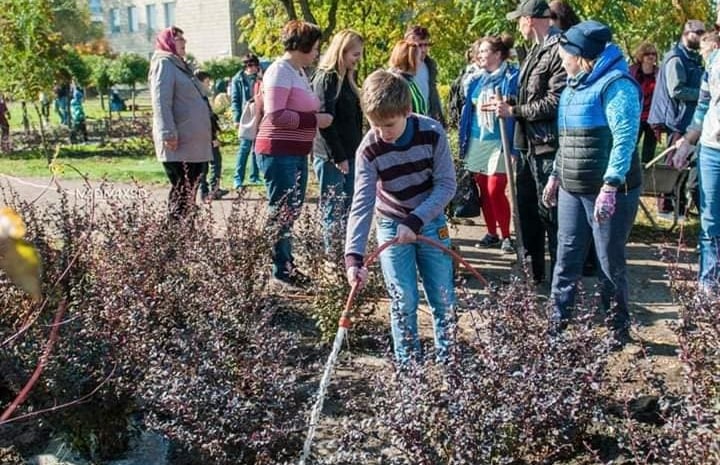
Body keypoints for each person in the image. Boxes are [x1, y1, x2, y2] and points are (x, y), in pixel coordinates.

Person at [345, 69, 457, 364]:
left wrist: (417, 220)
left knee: (443, 298)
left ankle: (449, 362)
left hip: (430, 221)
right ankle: (409, 368)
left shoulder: (431, 133)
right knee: (403, 298)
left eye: (389, 124)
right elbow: (362, 203)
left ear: (407, 110)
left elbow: (446, 185)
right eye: (374, 124)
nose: (383, 132)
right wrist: (353, 257)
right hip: (391, 224)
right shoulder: (369, 148)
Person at [541, 20, 641, 348]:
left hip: (608, 191)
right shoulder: (573, 86)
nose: (561, 57)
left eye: (565, 52)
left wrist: (611, 184)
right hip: (572, 184)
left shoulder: (616, 85)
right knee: (566, 255)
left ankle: (617, 329)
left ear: (582, 54)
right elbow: (566, 139)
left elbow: (624, 138)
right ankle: (557, 322)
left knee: (608, 261)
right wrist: (556, 175)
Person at [491, 0, 566, 284]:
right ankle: (532, 274)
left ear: (530, 20)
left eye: (519, 20)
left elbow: (556, 102)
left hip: (548, 147)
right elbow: (531, 97)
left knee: (552, 216)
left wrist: (515, 111)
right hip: (526, 145)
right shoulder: (534, 50)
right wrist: (510, 102)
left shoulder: (559, 50)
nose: (517, 25)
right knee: (526, 213)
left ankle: (561, 281)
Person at [254, 20, 332, 290]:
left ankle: (285, 265)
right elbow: (275, 116)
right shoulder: (279, 71)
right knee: (282, 212)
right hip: (278, 151)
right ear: (303, 45)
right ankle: (279, 271)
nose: (317, 53)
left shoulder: (297, 72)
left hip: (295, 151)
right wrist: (314, 121)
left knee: (290, 211)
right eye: (315, 48)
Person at [459, 34, 519, 254]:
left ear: (498, 54)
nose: (480, 55)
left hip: (500, 139)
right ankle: (491, 233)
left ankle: (506, 236)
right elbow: (465, 106)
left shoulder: (512, 76)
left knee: (495, 189)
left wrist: (505, 104)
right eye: (479, 51)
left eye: (485, 51)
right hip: (477, 139)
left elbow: (517, 104)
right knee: (484, 189)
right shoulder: (474, 78)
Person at [672, 30, 720, 293]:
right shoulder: (713, 64)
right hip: (712, 150)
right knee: (710, 219)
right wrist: (688, 141)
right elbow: (702, 107)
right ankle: (708, 288)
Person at [149, 26, 213, 220]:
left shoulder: (179, 65)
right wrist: (168, 132)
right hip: (179, 143)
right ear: (168, 42)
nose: (184, 43)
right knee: (182, 191)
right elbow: (161, 100)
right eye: (179, 39)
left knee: (188, 192)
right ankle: (176, 238)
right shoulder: (164, 64)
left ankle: (185, 235)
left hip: (193, 144)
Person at [311, 30, 364, 256]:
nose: (358, 59)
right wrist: (338, 156)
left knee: (349, 208)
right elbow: (325, 122)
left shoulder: (349, 79)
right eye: (355, 54)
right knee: (334, 208)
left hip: (351, 152)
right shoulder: (327, 78)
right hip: (332, 155)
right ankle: (332, 257)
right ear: (341, 51)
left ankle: (346, 254)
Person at [648, 20, 705, 216]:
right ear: (686, 33)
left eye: (703, 32)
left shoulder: (692, 58)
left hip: (688, 120)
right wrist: (704, 93)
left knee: (683, 167)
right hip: (677, 120)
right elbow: (676, 90)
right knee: (673, 164)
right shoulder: (676, 58)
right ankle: (666, 208)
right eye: (698, 32)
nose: (701, 35)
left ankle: (679, 207)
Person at [231, 53, 263, 189]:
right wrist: (236, 119)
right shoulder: (238, 79)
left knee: (257, 147)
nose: (252, 68)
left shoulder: (261, 77)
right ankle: (238, 178)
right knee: (244, 148)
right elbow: (235, 100)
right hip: (247, 114)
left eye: (254, 65)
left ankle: (255, 176)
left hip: (259, 113)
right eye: (249, 65)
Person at [195, 70, 227, 201]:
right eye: (207, 83)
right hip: (204, 136)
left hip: (204, 135)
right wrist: (213, 137)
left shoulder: (201, 97)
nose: (209, 85)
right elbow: (204, 119)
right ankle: (209, 190)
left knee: (209, 163)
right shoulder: (198, 99)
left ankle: (210, 189)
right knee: (211, 163)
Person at [404, 25, 445, 125]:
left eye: (426, 45)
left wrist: (440, 119)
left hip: (427, 120)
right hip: (406, 121)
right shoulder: (400, 69)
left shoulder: (430, 66)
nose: (423, 49)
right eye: (419, 45)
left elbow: (433, 93)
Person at [630, 42, 659, 164]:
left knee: (649, 151)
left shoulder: (659, 73)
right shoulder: (631, 72)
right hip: (635, 115)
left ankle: (646, 177)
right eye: (647, 54)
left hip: (652, 117)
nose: (651, 56)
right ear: (641, 56)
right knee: (630, 146)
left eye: (653, 54)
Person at [388, 40, 428, 115]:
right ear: (411, 60)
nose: (421, 63)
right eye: (419, 58)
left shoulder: (409, 80)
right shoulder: (394, 84)